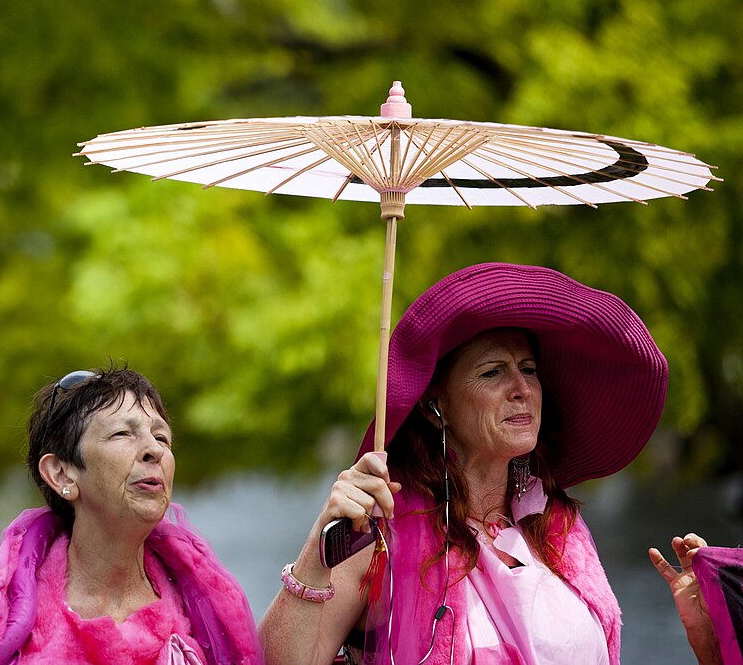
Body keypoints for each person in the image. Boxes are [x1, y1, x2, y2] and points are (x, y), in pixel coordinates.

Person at [258, 262, 723, 665]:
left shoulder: (560, 533)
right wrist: (317, 554)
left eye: (529, 368)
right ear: (432, 401)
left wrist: (709, 645)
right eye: (492, 371)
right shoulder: (380, 534)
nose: (521, 387)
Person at [0, 364, 264, 665]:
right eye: (122, 433)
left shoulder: (206, 600)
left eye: (161, 436)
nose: (155, 450)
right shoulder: (1, 630)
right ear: (62, 475)